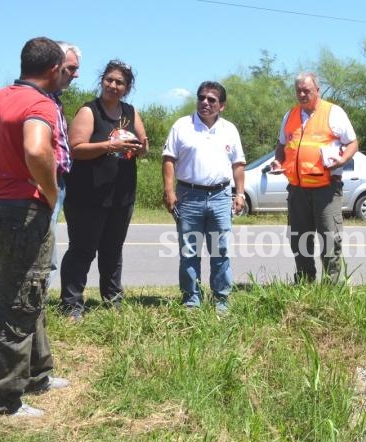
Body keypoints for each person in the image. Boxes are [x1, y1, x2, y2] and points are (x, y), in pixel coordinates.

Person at [0, 37, 70, 417]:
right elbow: (37, 150)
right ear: (54, 69)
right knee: (19, 303)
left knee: (28, 292)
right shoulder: (40, 103)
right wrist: (50, 191)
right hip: (25, 214)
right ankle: (1, 398)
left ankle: (37, 374)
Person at [60, 60, 149, 320]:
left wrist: (142, 148)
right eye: (109, 80)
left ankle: (112, 299)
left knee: (113, 249)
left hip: (121, 195)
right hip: (88, 195)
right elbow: (75, 149)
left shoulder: (130, 112)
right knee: (83, 250)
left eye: (119, 82)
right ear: (102, 81)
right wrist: (108, 146)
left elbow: (142, 146)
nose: (113, 85)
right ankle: (72, 303)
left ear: (127, 87)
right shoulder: (90, 111)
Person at [162, 81, 246, 313]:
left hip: (221, 197)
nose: (205, 103)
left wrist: (239, 193)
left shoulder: (229, 129)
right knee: (189, 252)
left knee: (220, 251)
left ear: (222, 106)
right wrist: (169, 191)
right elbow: (169, 159)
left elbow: (238, 164)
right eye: (201, 97)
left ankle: (221, 300)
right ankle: (191, 300)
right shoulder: (182, 126)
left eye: (211, 99)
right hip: (189, 196)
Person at [268, 72, 358, 283]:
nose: (301, 94)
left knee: (329, 239)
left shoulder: (334, 113)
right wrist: (278, 161)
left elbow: (353, 143)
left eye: (306, 90)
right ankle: (305, 283)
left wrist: (342, 160)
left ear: (318, 90)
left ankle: (331, 289)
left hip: (326, 188)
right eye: (298, 90)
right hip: (297, 189)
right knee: (299, 240)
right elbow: (282, 147)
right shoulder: (289, 115)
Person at [48, 41, 81, 286]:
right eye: (71, 68)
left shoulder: (54, 100)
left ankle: (35, 309)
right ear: (54, 66)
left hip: (55, 183)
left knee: (46, 245)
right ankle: (28, 316)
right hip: (42, 184)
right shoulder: (37, 100)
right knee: (41, 249)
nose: (75, 74)